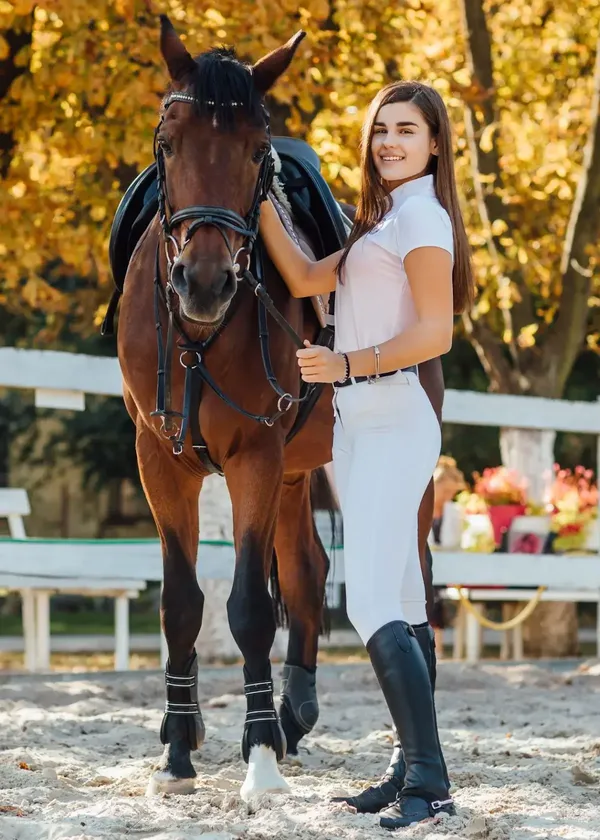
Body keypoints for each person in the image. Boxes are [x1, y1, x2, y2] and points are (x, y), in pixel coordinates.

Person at [259, 80, 473, 829]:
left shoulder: (422, 219)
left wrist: (346, 365)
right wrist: (255, 191)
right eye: (381, 129)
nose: (389, 142)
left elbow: (436, 334)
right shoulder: (379, 220)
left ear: (435, 144)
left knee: (370, 601)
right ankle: (408, 768)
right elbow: (307, 279)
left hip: (393, 420)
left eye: (407, 130)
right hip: (356, 427)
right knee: (406, 602)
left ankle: (431, 781)